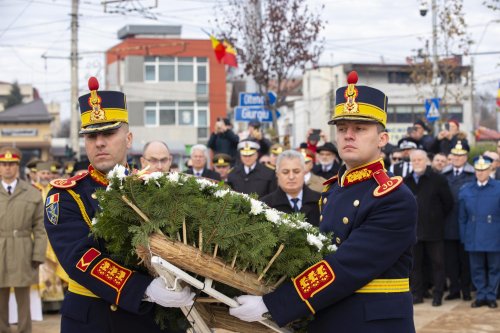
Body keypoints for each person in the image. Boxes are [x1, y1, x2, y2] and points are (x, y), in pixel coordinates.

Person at [229, 71, 417, 332]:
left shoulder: (393, 197)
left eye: (360, 129)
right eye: (342, 129)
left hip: (371, 323)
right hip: (331, 315)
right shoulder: (334, 190)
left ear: (382, 139)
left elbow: (347, 265)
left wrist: (275, 304)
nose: (348, 135)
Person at [43, 77, 194, 333]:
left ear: (128, 138)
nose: (99, 142)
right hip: (95, 319)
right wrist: (143, 289)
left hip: (150, 321)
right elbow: (80, 259)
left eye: (109, 133)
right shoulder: (66, 195)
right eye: (91, 136)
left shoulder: (155, 188)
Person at [0, 146, 46, 333]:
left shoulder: (32, 192)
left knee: (23, 297)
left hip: (23, 249)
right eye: (4, 164)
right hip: (0, 248)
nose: (8, 168)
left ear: (18, 166)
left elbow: (40, 227)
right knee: (0, 297)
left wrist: (38, 254)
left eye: (12, 164)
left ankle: (24, 330)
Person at [404, 150, 453, 306]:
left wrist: (435, 217)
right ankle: (417, 294)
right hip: (414, 231)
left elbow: (448, 203)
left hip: (434, 230)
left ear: (427, 161)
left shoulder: (438, 179)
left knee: (437, 264)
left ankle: (437, 295)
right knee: (416, 265)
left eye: (420, 160)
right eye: (414, 160)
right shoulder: (406, 180)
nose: (417, 163)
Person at [458, 155, 500, 309]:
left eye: (483, 170)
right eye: (478, 170)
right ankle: (481, 295)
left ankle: (491, 296)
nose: (480, 173)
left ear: (490, 170)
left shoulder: (498, 187)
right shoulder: (466, 189)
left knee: (495, 268)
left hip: (494, 234)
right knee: (476, 268)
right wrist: (464, 237)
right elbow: (462, 217)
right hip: (474, 234)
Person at [442, 140, 475, 301]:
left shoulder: (472, 174)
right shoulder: (444, 174)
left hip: (467, 223)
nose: (457, 158)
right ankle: (454, 289)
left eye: (460, 155)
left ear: (466, 157)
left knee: (465, 260)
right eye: (454, 155)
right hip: (448, 223)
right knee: (451, 260)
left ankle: (466, 290)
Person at [261, 150, 321, 226]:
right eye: (285, 172)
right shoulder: (265, 205)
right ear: (277, 174)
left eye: (296, 171)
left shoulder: (320, 202)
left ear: (304, 172)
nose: (291, 177)